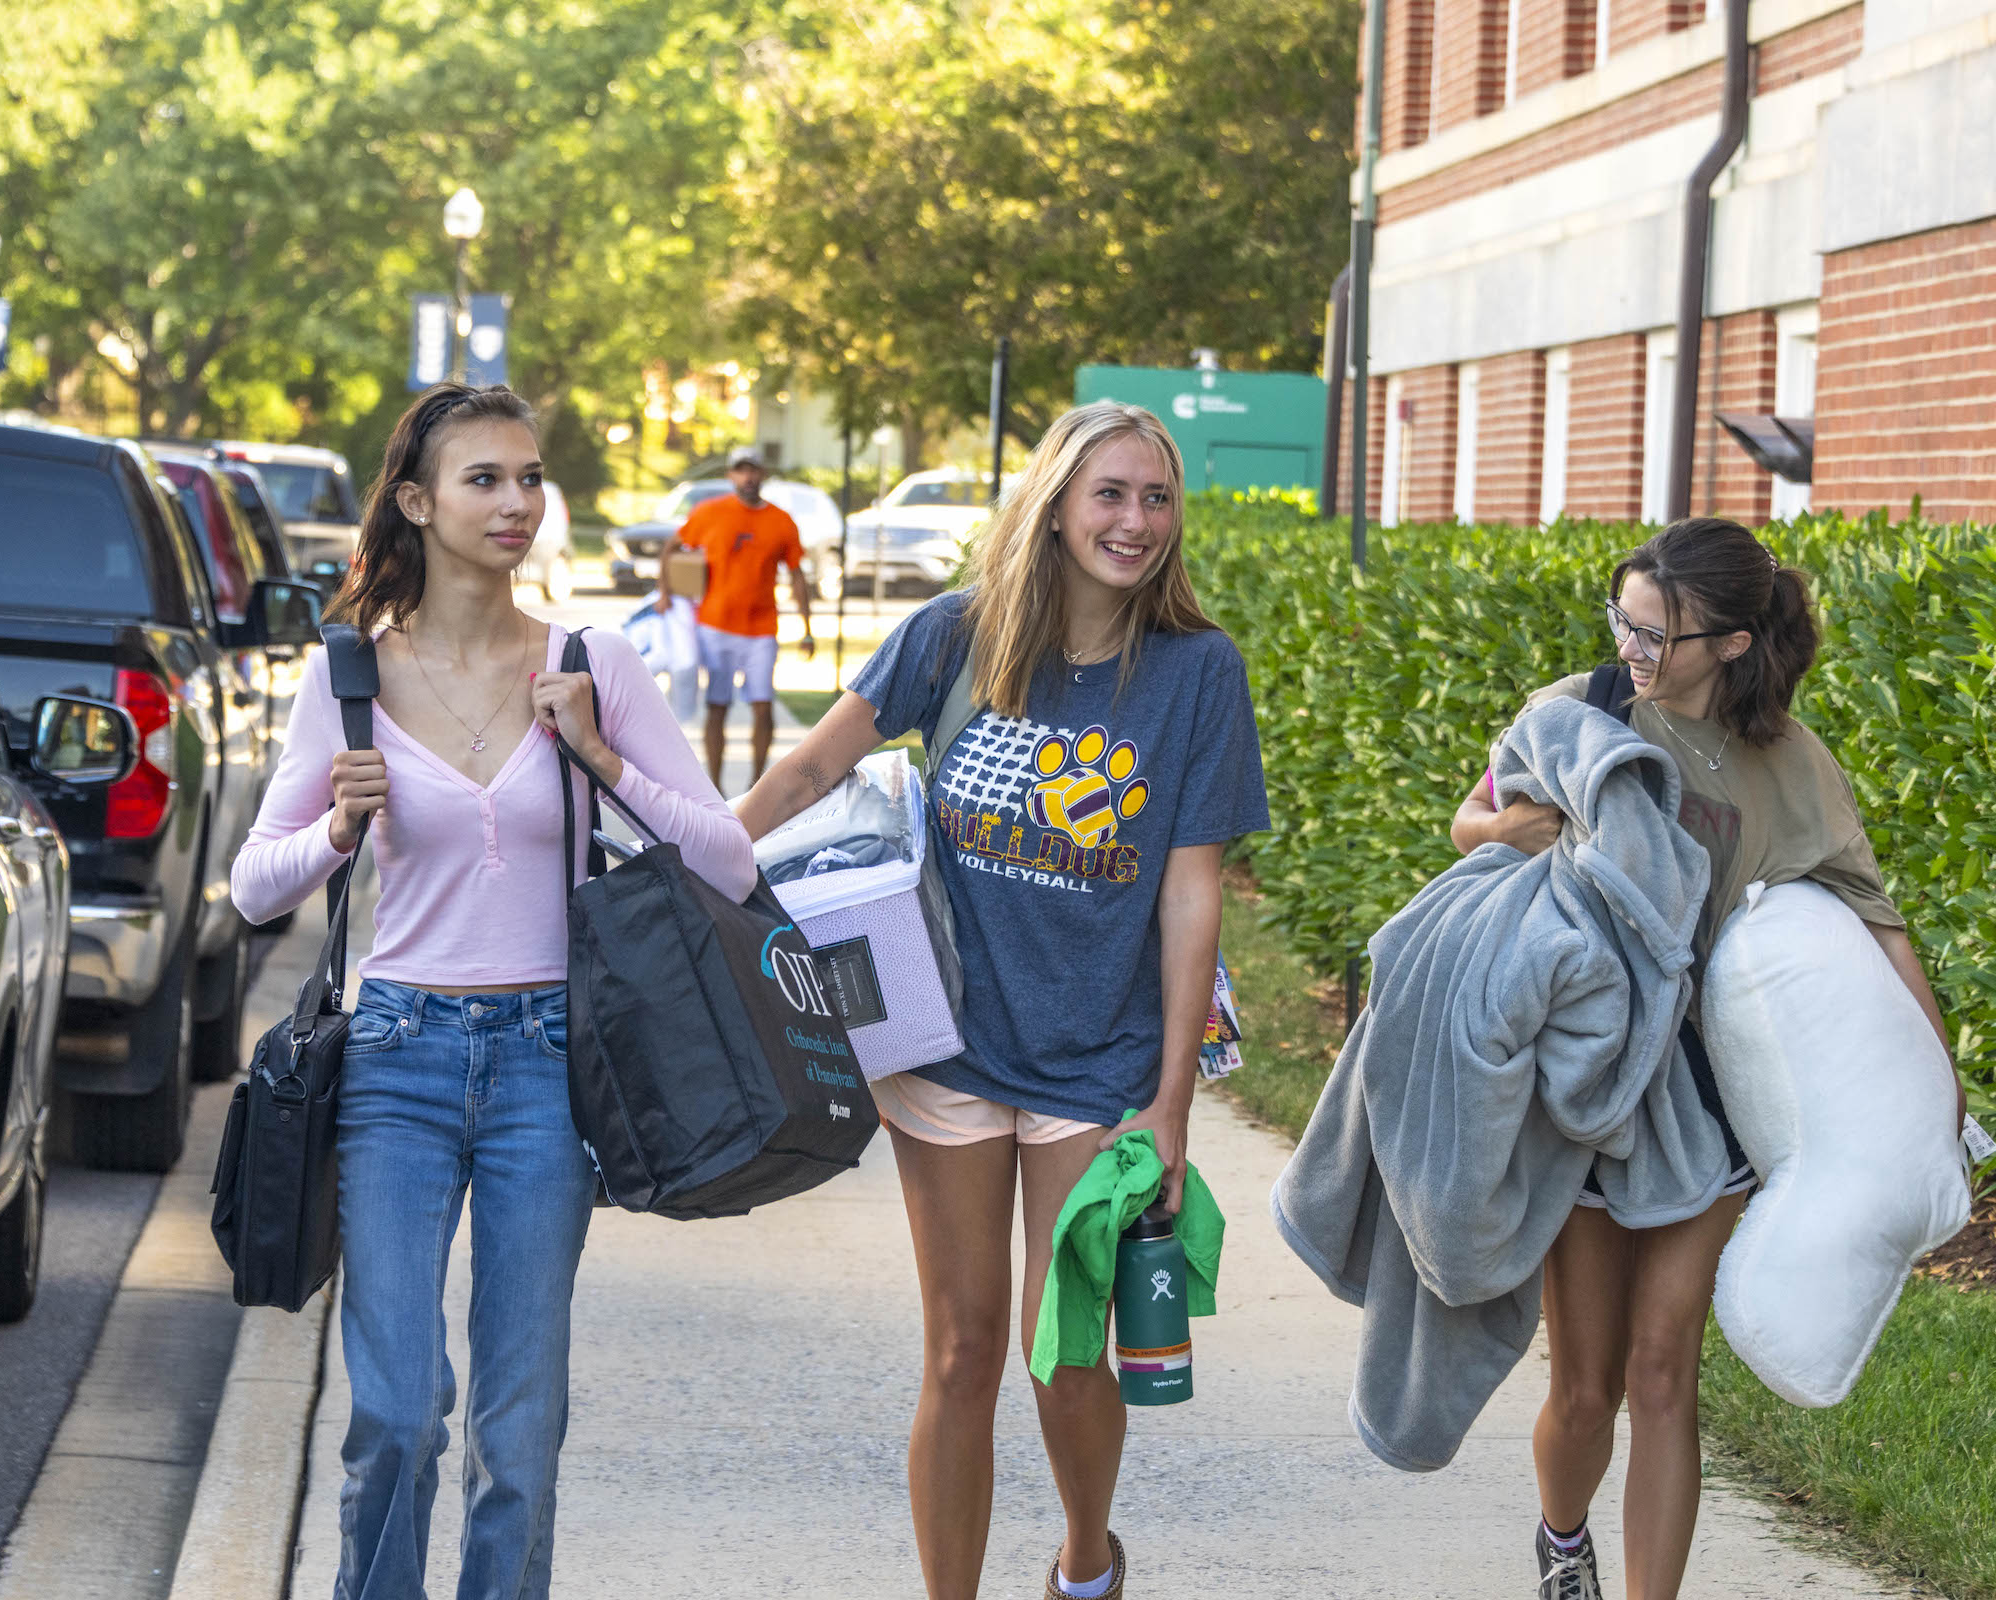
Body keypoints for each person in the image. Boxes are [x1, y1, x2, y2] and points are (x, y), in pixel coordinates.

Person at [229, 382, 756, 1600]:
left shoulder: (591, 663)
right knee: (399, 1418)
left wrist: (602, 758)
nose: (517, 501)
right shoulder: (348, 674)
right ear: (415, 502)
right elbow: (256, 888)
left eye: (530, 478)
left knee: (518, 1433)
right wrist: (335, 835)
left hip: (545, 1064)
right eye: (485, 480)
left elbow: (728, 859)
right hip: (396, 1060)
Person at [736, 402, 1269, 1600]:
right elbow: (817, 765)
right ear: (1056, 505)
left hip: (1101, 1054)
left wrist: (1172, 1102)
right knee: (964, 1349)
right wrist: (709, 857)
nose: (1135, 521)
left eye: (1156, 498)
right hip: (945, 1046)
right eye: (1111, 494)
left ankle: (1086, 1562)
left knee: (1068, 1357)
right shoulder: (956, 638)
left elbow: (1194, 898)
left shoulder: (1197, 673)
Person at [1448, 517, 1962, 1600]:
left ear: (1732, 642)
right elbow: (1467, 822)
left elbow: (1877, 915)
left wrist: (1939, 1079)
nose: (1632, 650)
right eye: (1623, 621)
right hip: (1588, 1080)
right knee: (1587, 1389)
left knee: (1662, 1368)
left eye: (1657, 636)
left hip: (1706, 1085)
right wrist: (1509, 835)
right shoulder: (1575, 710)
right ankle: (1563, 1539)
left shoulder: (1790, 761)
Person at [658, 443, 814, 787]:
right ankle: (716, 786)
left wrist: (807, 628)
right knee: (718, 707)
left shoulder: (781, 521)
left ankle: (755, 786)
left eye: (754, 470)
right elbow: (671, 548)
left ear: (763, 475)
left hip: (761, 630)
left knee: (763, 706)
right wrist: (665, 594)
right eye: (741, 470)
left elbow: (797, 574)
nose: (748, 477)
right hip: (715, 627)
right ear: (731, 475)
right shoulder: (709, 512)